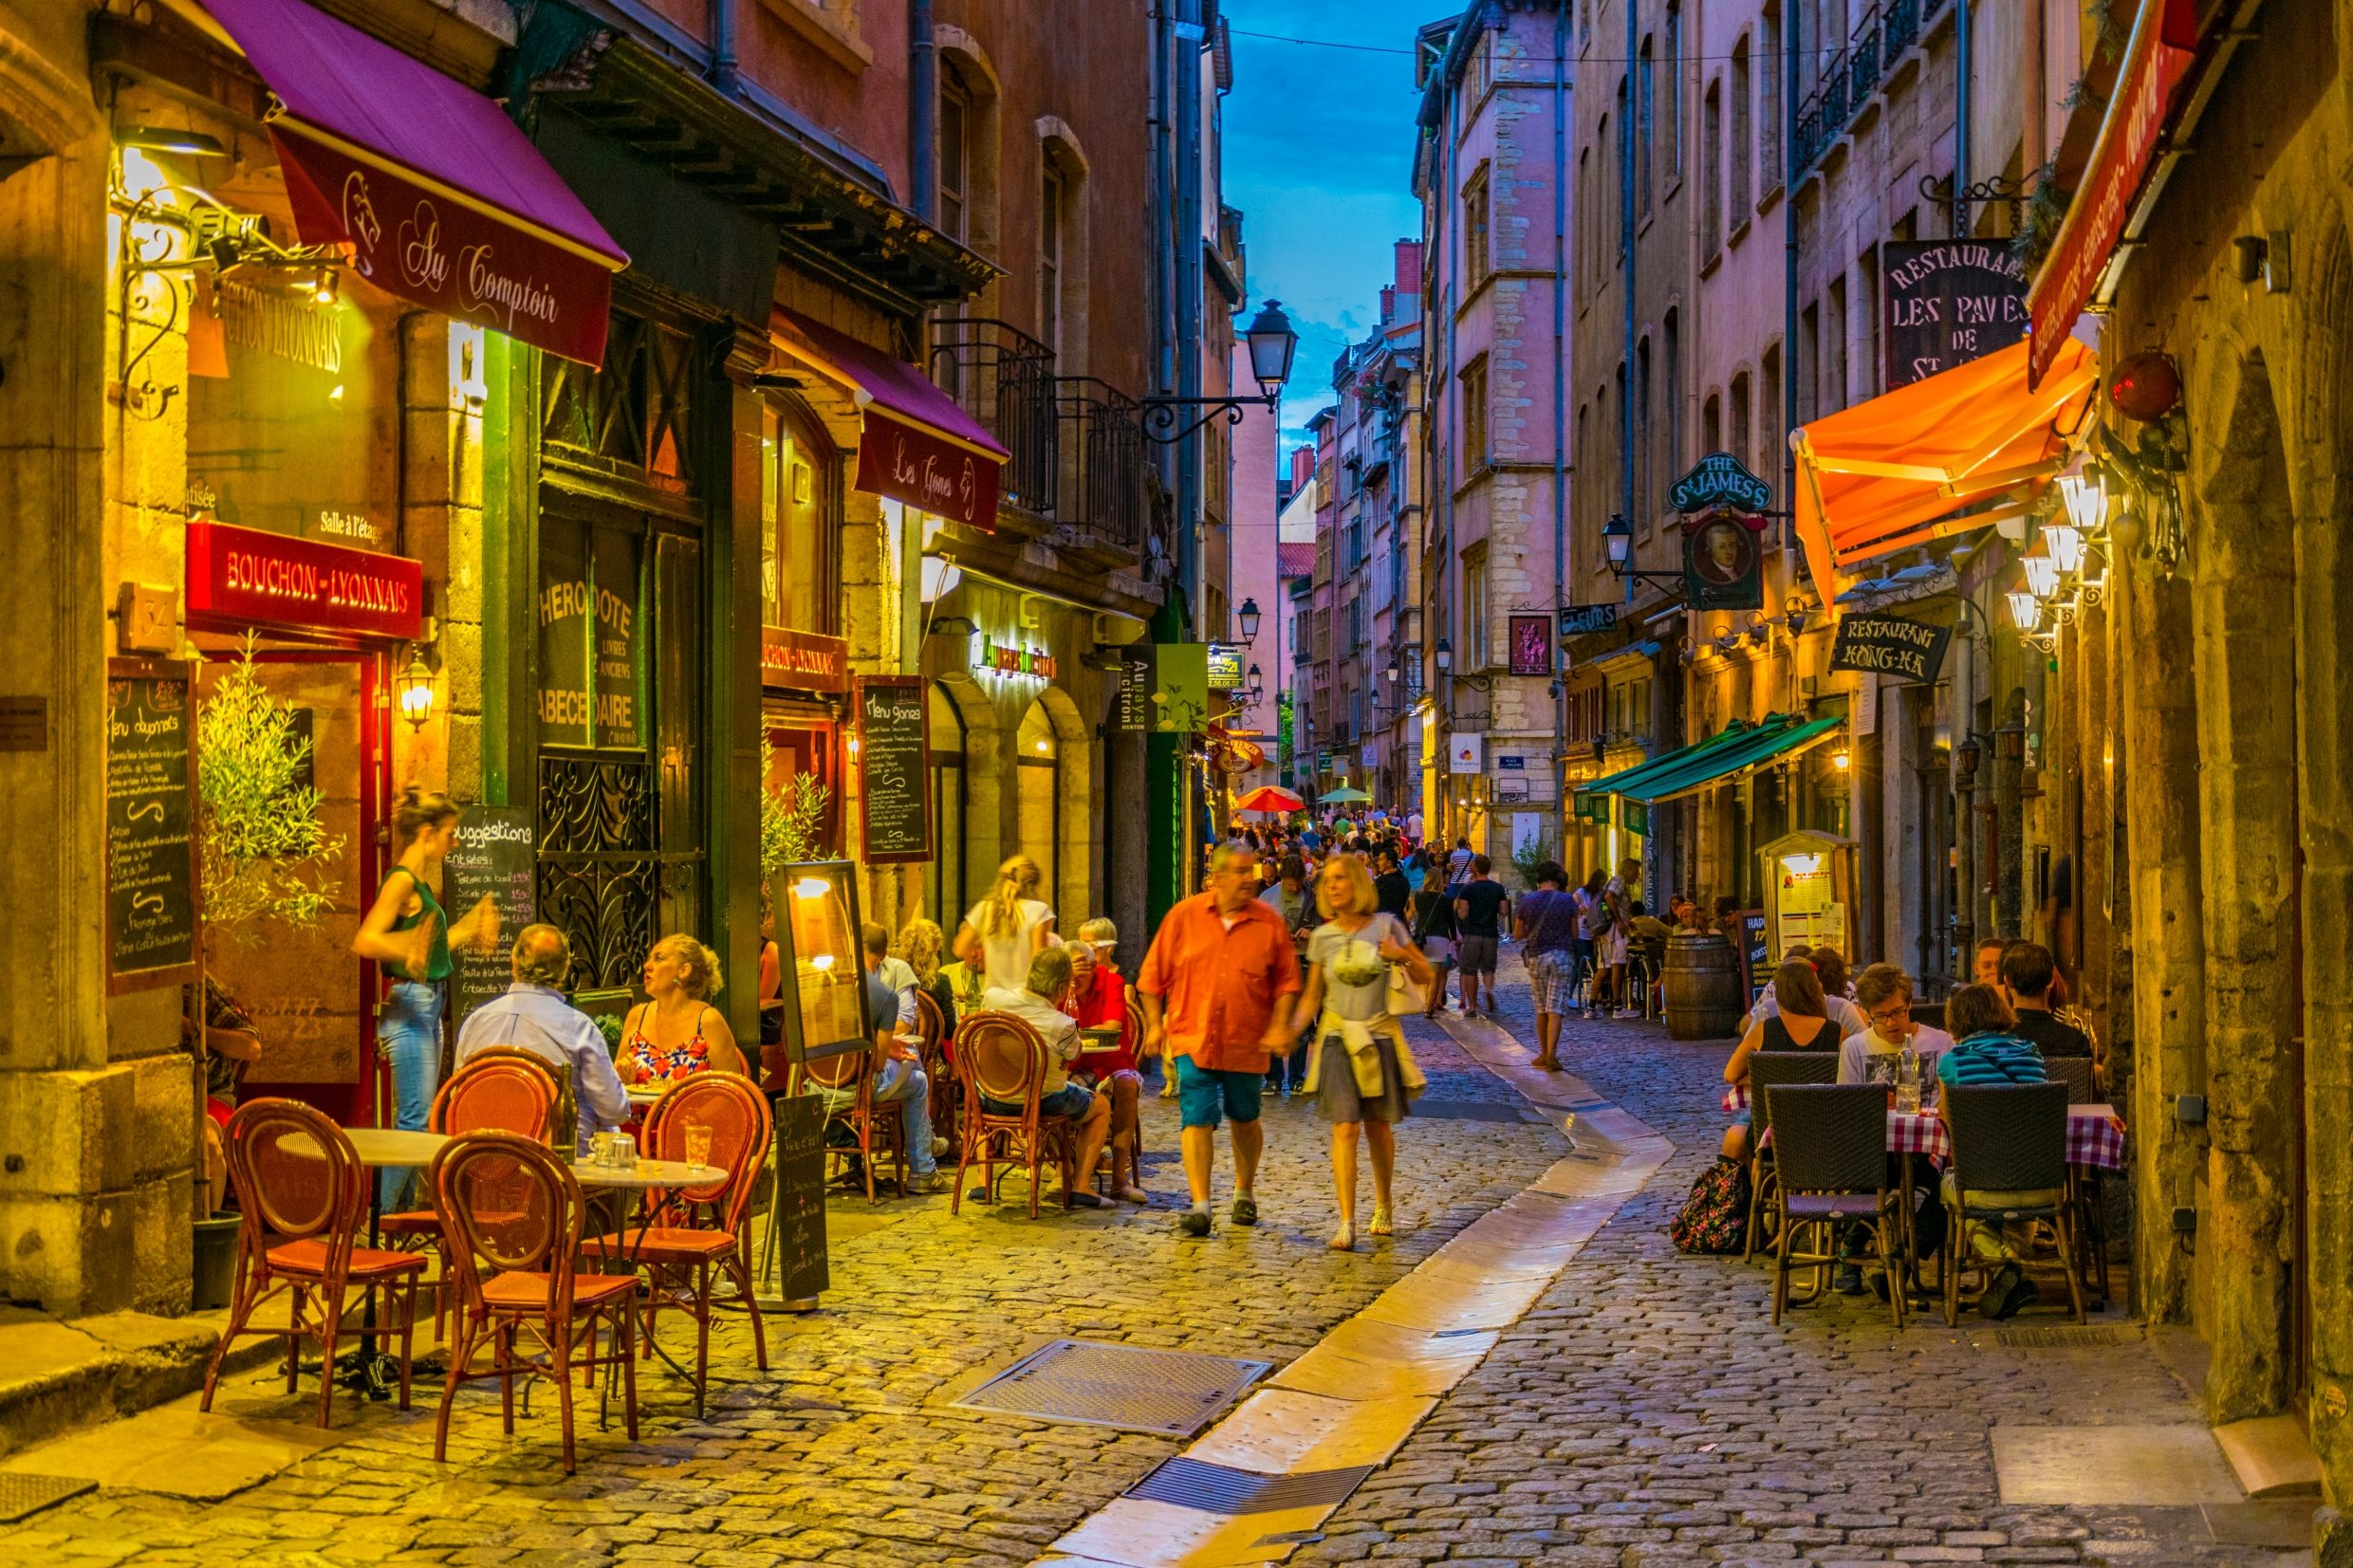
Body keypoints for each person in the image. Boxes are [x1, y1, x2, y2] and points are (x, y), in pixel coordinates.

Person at [1137, 844, 1301, 1238]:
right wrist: (1155, 1025)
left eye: (1253, 871)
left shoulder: (1268, 922)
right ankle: (1201, 1205)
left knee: (1245, 1117)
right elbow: (1150, 977)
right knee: (1196, 1117)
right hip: (1194, 1036)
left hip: (1246, 1039)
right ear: (1219, 875)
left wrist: (1280, 1025)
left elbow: (1287, 982)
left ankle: (1244, 1191)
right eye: (1243, 872)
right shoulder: (1184, 916)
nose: (1251, 879)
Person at [352, 785, 499, 1209]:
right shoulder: (401, 880)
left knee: (421, 1118)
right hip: (410, 1006)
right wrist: (406, 947)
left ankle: (399, 1218)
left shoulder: (421, 884)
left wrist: (468, 931)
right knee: (414, 1120)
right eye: (452, 833)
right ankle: (374, 1223)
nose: (456, 842)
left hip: (428, 1004)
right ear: (427, 833)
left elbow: (428, 947)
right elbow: (366, 940)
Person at [1287, 855, 1433, 1250]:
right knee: (1344, 1128)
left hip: (1379, 1037)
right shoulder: (1322, 937)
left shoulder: (1387, 926)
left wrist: (1399, 954)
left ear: (1357, 883)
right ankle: (1346, 1220)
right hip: (1336, 1039)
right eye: (1326, 882)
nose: (1331, 887)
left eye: (1339, 879)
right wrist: (1291, 1033)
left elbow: (1426, 975)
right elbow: (1312, 997)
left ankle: (1383, 1203)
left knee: (1377, 1128)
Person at [456, 924, 630, 1157]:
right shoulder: (579, 1028)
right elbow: (614, 1110)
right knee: (611, 1131)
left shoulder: (476, 1022)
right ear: (565, 970)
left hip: (484, 1156)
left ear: (514, 962)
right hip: (555, 1162)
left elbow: (458, 1094)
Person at [1936, 984, 2049, 1319]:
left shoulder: (1954, 1062)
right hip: (2040, 1187)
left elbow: (1947, 1120)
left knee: (1948, 1187)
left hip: (1983, 1188)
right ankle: (2013, 1279)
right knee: (2014, 1206)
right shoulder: (2031, 1051)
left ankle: (2008, 1264)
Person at [978, 947, 1116, 1206]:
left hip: (991, 1097)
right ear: (1063, 987)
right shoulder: (1061, 1024)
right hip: (1041, 1102)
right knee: (1100, 1106)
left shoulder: (993, 999)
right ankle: (1081, 1185)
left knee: (1054, 1090)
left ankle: (981, 1182)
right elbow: (1074, 1053)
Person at [824, 922, 942, 1193]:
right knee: (918, 1077)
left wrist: (883, 1045)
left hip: (818, 1089)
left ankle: (927, 1144)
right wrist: (886, 1046)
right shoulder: (882, 995)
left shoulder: (826, 985)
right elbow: (876, 1065)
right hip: (859, 1090)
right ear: (883, 954)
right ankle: (923, 1168)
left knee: (909, 1062)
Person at [1719, 958, 1840, 1163]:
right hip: (1826, 1134)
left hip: (1771, 1137)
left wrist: (1768, 1079)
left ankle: (1764, 1187)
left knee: (1743, 1136)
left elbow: (1730, 1075)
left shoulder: (1763, 1031)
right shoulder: (1837, 1033)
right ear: (1815, 991)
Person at [1065, 940, 1147, 1203]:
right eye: (1070, 973)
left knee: (1126, 1084)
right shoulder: (1061, 986)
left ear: (1093, 967)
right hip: (1075, 1064)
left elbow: (1112, 1026)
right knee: (1056, 1085)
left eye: (1081, 973)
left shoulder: (1111, 982)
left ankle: (1119, 1181)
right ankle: (1063, 1173)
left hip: (1113, 1063)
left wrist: (1073, 1036)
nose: (1075, 981)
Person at [617, 934, 747, 1083]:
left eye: (659, 958)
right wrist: (624, 1078)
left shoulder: (708, 1021)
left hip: (697, 1107)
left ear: (684, 971)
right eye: (649, 958)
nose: (647, 965)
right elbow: (614, 1085)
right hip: (641, 1107)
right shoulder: (637, 1016)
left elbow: (733, 1094)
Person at [1256, 856, 1318, 1096]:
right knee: (1272, 1018)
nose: (1294, 888)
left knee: (1300, 1021)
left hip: (1302, 961)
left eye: (1297, 884)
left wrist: (1311, 931)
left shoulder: (1312, 897)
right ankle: (1272, 1077)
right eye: (1290, 884)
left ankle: (1296, 1077)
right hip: (1274, 964)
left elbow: (1324, 925)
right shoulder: (1268, 898)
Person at [1514, 861, 1584, 1072]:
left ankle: (1543, 1053)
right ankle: (1553, 1054)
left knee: (1541, 1008)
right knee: (1555, 1008)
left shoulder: (1528, 901)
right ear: (1557, 877)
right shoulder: (1567, 901)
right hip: (1561, 956)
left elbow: (1518, 934)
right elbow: (1574, 934)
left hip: (1537, 957)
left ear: (1539, 878)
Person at [1840, 963, 1955, 1086]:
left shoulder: (1943, 1043)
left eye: (1897, 1012)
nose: (1890, 1023)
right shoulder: (1853, 1049)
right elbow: (1847, 1102)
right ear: (1866, 1014)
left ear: (1909, 1003)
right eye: (1880, 1016)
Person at [954, 855, 1057, 992]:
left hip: (993, 1001)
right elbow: (1039, 962)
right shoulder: (1038, 910)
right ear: (1032, 885)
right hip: (1026, 1001)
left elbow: (959, 948)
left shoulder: (983, 908)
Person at [1998, 941, 2093, 1061]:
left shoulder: (1995, 1043)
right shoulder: (2075, 1041)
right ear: (2051, 982)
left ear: (2007, 982)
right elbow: (2086, 1079)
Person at [1453, 855, 1510, 1017]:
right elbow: (1504, 911)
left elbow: (1463, 914)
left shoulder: (1468, 889)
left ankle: (1472, 1006)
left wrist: (1460, 907)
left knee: (1470, 970)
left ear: (1475, 868)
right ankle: (1488, 989)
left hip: (1472, 934)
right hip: (1491, 933)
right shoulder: (1497, 888)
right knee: (1488, 968)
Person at [1409, 879, 1459, 1020]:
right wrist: (1453, 938)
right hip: (1440, 938)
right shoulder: (1446, 899)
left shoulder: (1418, 896)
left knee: (1426, 972)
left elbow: (1415, 913)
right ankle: (1429, 1006)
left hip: (1423, 938)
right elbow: (1451, 920)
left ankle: (1426, 1001)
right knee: (1435, 975)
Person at [1602, 858, 1642, 1019]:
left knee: (1616, 966)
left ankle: (1617, 1005)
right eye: (1636, 872)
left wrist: (1628, 921)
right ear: (1628, 870)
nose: (1637, 876)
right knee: (1618, 966)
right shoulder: (1620, 880)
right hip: (1615, 930)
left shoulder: (1618, 881)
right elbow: (1609, 897)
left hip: (1614, 928)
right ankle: (1618, 1007)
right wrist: (1619, 921)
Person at [1572, 869, 1612, 1016]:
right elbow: (1571, 908)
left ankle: (1603, 997)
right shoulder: (1582, 893)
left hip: (1596, 936)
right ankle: (1578, 997)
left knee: (1599, 967)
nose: (1602, 885)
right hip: (1582, 934)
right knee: (1585, 966)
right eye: (1600, 882)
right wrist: (1580, 910)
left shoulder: (1600, 895)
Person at [1372, 846, 1413, 920]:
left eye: (1380, 860)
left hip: (1382, 925)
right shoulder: (1404, 881)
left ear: (1389, 863)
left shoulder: (1380, 882)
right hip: (1399, 924)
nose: (1378, 863)